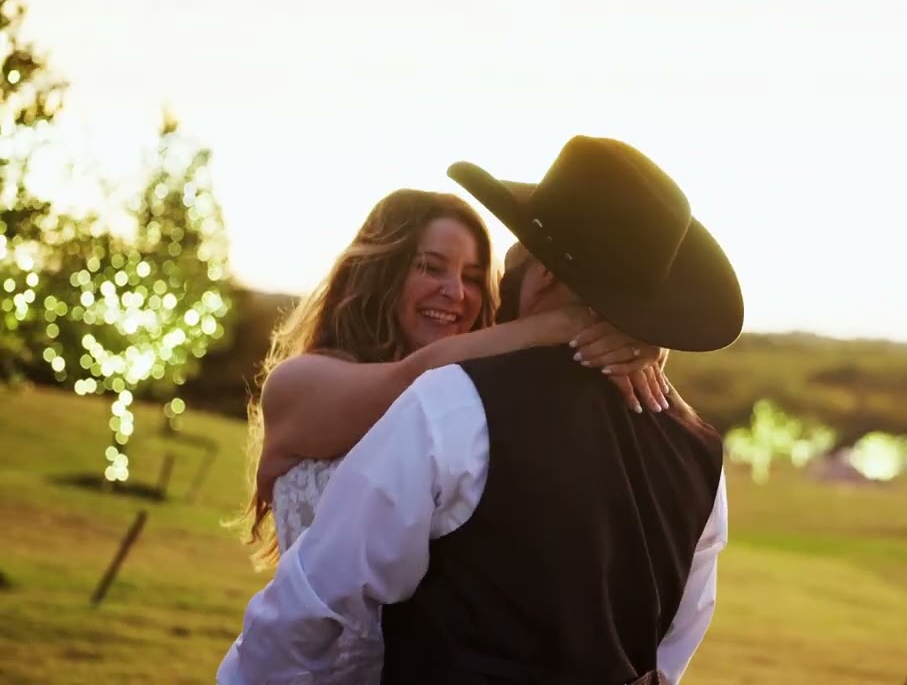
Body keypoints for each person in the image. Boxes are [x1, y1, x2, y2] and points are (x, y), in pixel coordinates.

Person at [218, 135, 744, 685]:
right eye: (431, 266)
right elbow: (675, 643)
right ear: (380, 270)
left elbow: (311, 601)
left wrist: (629, 341)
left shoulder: (459, 401)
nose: (457, 291)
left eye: (475, 274)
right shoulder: (336, 384)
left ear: (542, 277)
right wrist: (574, 324)